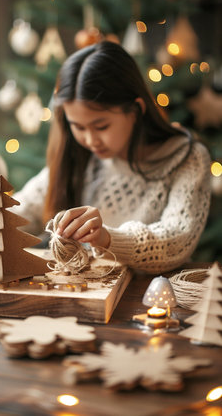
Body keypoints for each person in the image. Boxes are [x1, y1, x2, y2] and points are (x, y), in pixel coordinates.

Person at [12, 41, 211, 273]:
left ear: (135, 110)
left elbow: (177, 240)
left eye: (101, 126)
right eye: (78, 126)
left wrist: (107, 238)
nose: (90, 140)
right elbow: (25, 206)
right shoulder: (80, 156)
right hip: (82, 298)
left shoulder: (188, 158)